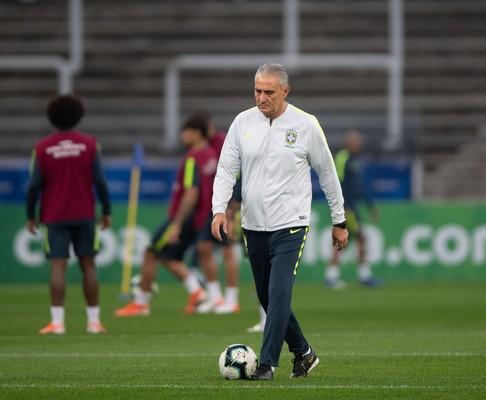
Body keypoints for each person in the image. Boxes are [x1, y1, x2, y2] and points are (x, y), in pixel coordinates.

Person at [212, 63, 348, 380]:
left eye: (269, 92)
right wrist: (219, 209)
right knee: (265, 295)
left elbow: (327, 173)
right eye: (257, 90)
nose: (261, 97)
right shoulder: (242, 123)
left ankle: (267, 364)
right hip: (253, 226)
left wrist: (339, 219)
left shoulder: (305, 125)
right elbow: (225, 170)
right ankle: (304, 352)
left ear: (285, 91)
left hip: (291, 225)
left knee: (278, 293)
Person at [115, 113, 217, 317]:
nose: (182, 136)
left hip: (185, 217)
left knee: (150, 252)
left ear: (196, 133)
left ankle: (141, 303)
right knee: (169, 257)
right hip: (202, 217)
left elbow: (191, 192)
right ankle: (197, 292)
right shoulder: (212, 156)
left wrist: (177, 223)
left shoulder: (191, 158)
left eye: (185, 132)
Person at [26, 94, 111, 335]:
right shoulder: (90, 144)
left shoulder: (41, 148)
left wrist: (30, 215)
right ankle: (94, 322)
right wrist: (106, 211)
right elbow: (101, 181)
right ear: (79, 116)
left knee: (58, 266)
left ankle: (57, 322)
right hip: (84, 213)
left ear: (51, 117)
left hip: (54, 215)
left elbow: (34, 185)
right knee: (89, 264)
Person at [194, 112, 242, 314]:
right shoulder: (201, 150)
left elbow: (235, 174)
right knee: (204, 247)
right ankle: (215, 297)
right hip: (212, 206)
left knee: (227, 249)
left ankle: (232, 299)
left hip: (227, 205)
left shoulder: (223, 142)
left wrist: (232, 207)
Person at [325, 129, 382, 289]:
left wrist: (370, 205)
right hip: (347, 206)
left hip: (353, 206)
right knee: (360, 238)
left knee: (347, 241)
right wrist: (341, 206)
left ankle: (332, 275)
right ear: (349, 143)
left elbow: (360, 187)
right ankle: (363, 276)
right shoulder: (343, 158)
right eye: (356, 141)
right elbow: (337, 182)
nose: (359, 144)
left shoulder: (356, 160)